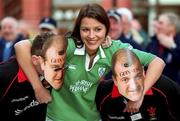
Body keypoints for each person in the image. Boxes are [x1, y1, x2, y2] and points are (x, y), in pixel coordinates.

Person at [14, 3, 165, 121]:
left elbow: (157, 62)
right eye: (86, 29)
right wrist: (38, 88)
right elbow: (21, 46)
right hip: (57, 117)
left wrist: (139, 95)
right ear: (79, 30)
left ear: (106, 29)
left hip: (93, 117)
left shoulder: (114, 49)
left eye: (98, 29)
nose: (91, 36)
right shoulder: (68, 45)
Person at [96, 48, 180, 121]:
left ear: (143, 72)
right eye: (125, 79)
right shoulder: (102, 93)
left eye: (137, 76)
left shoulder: (163, 87)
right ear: (115, 80)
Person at [0, 32, 67, 121]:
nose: (59, 74)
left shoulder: (49, 74)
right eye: (53, 66)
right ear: (35, 60)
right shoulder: (6, 75)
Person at [146, 12, 180, 83]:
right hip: (155, 87)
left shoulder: (178, 42)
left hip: (174, 88)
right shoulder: (152, 42)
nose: (156, 25)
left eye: (160, 23)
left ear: (172, 27)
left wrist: (172, 47)